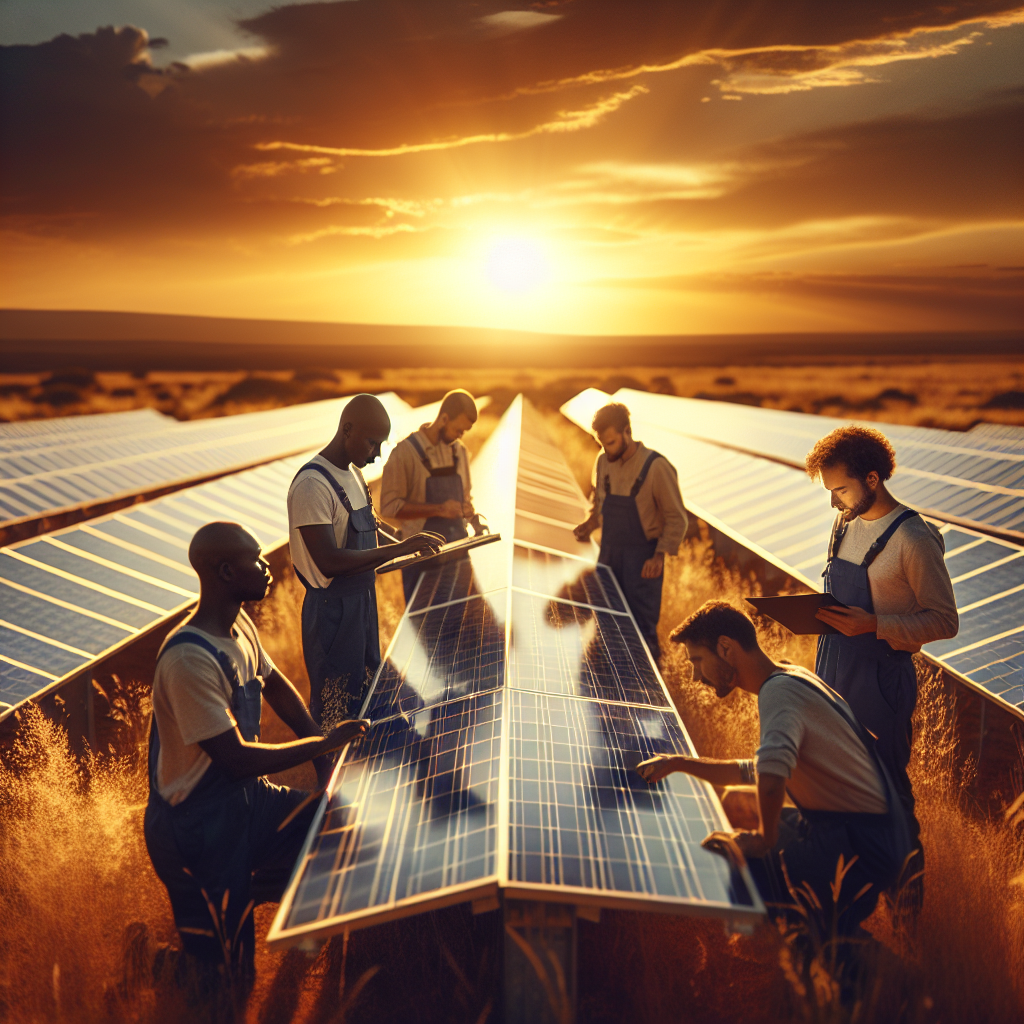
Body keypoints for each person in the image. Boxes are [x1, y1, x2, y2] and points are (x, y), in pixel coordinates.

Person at [143, 521, 370, 989]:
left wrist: (322, 758)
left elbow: (275, 686)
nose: (268, 566)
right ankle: (149, 960)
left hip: (246, 801)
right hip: (196, 827)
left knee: (337, 829)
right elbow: (236, 760)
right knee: (228, 984)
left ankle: (246, 890)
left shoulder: (239, 625)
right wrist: (324, 745)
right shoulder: (189, 659)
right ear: (227, 572)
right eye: (257, 559)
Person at [636, 601, 913, 949]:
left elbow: (770, 779)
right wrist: (679, 763)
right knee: (740, 809)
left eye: (697, 660)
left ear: (726, 648)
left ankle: (826, 947)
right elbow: (757, 771)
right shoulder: (788, 677)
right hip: (859, 827)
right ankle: (818, 932)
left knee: (748, 872)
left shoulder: (777, 693)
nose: (695, 675)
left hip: (863, 842)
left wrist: (764, 840)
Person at [806, 426, 957, 908]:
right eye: (830, 492)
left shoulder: (913, 537)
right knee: (833, 786)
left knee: (888, 796)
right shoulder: (844, 522)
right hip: (833, 670)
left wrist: (874, 624)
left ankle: (907, 910)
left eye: (840, 489)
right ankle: (846, 901)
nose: (834, 502)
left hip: (881, 682)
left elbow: (945, 621)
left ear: (872, 478)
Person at [287, 394, 443, 726]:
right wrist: (400, 549)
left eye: (382, 444)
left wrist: (406, 544)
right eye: (373, 443)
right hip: (332, 614)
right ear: (347, 430)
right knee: (336, 713)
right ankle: (331, 759)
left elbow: (368, 525)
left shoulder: (355, 475)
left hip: (363, 604)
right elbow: (329, 561)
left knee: (372, 695)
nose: (377, 454)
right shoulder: (312, 485)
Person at [573, 402, 688, 662]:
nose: (606, 450)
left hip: (642, 563)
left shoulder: (656, 467)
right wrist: (590, 524)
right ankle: (608, 678)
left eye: (611, 442)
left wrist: (659, 555)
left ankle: (648, 682)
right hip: (609, 555)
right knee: (605, 620)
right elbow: (599, 502)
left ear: (627, 431)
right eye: (602, 444)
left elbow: (677, 518)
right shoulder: (603, 461)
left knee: (641, 631)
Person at [380, 389, 487, 602]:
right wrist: (439, 510)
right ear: (444, 418)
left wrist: (471, 515)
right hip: (420, 561)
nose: (460, 436)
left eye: (464, 432)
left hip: (458, 555)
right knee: (424, 622)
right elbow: (389, 507)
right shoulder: (404, 453)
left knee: (468, 618)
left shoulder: (459, 452)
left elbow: (466, 498)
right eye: (458, 430)